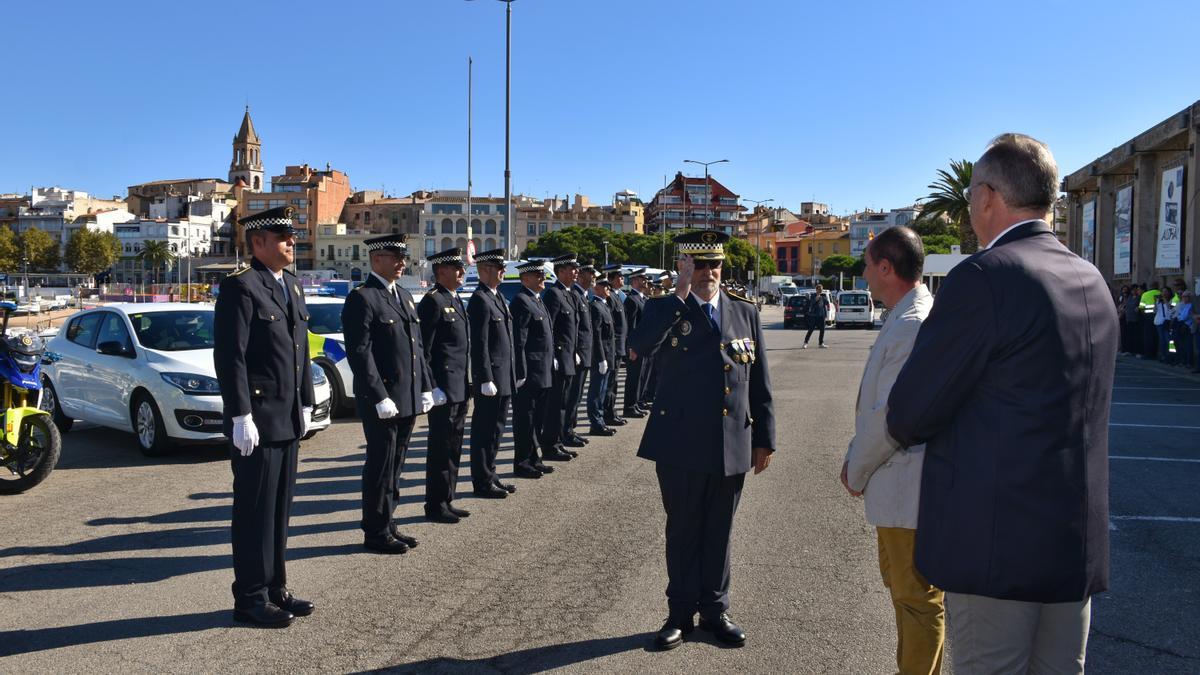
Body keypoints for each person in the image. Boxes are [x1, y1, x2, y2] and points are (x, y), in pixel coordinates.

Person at [887, 134, 1117, 674]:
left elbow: (912, 411)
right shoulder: (1091, 279)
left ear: (988, 197)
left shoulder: (986, 276)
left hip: (997, 548)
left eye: (970, 198)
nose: (969, 210)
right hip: (1072, 547)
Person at [628, 230, 775, 651]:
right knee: (684, 530)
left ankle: (715, 610)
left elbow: (759, 380)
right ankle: (679, 614)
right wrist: (679, 294)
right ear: (682, 266)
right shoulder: (664, 307)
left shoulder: (743, 311)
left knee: (720, 530)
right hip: (679, 444)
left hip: (731, 443)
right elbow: (639, 347)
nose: (707, 273)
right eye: (697, 265)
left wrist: (765, 439)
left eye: (714, 265)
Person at [839, 227, 944, 675]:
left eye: (866, 265)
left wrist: (855, 468)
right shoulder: (907, 315)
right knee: (907, 596)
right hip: (902, 485)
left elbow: (889, 417)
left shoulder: (911, 324)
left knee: (917, 600)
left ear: (886, 267)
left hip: (908, 486)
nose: (863, 275)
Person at [213, 205, 316, 627]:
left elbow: (300, 350)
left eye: (292, 237)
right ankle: (250, 599)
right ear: (258, 242)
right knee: (254, 512)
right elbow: (230, 356)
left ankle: (276, 588)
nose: (292, 243)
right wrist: (240, 414)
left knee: (279, 511)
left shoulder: (290, 285)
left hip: (287, 418)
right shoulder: (241, 287)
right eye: (283, 238)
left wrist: (306, 401)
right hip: (257, 419)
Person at [342, 234, 435, 554]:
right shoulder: (363, 297)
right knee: (381, 465)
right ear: (375, 259)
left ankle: (390, 522)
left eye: (403, 258)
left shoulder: (405, 297)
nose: (402, 263)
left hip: (407, 395)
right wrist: (379, 395)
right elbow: (360, 353)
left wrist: (426, 386)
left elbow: (417, 349)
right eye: (395, 257)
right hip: (382, 399)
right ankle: (375, 530)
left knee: (397, 463)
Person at [417, 247, 472, 524]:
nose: (462, 272)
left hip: (459, 386)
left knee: (454, 445)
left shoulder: (455, 299)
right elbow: (424, 350)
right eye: (457, 268)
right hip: (443, 389)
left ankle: (447, 498)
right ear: (441, 272)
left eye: (462, 268)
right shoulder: (433, 302)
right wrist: (431, 386)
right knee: (440, 447)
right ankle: (435, 504)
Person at [467, 249, 518, 498]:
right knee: (484, 432)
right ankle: (482, 480)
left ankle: (491, 474)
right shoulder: (479, 299)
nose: (503, 272)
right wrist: (485, 377)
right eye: (498, 268)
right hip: (492, 379)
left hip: (503, 377)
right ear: (483, 270)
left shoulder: (497, 298)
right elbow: (480, 344)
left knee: (496, 431)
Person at [509, 260, 557, 478]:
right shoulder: (521, 301)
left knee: (537, 419)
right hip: (529, 373)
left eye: (543, 275)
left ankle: (534, 459)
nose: (543, 279)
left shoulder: (536, 300)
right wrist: (520, 372)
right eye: (538, 275)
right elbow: (519, 341)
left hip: (543, 370)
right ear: (525, 278)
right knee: (525, 420)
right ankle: (522, 462)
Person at [541, 253, 583, 461]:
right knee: (555, 405)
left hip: (568, 357)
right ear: (561, 271)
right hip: (558, 359)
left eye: (576, 269)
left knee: (564, 403)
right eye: (572, 269)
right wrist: (555, 355)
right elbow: (550, 329)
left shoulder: (569, 293)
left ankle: (558, 441)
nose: (576, 272)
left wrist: (573, 351)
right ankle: (550, 445)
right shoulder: (554, 294)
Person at [562, 264, 596, 448]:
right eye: (590, 274)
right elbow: (572, 330)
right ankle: (565, 431)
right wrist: (575, 351)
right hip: (577, 354)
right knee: (571, 396)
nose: (593, 278)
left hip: (583, 353)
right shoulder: (575, 294)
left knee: (576, 396)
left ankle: (570, 430)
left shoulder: (582, 296)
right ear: (582, 276)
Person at [586, 278, 616, 436]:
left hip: (609, 354)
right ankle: (596, 423)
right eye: (605, 286)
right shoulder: (595, 307)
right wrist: (600, 358)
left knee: (603, 390)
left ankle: (600, 421)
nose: (608, 288)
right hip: (601, 356)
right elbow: (596, 336)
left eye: (608, 286)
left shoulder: (604, 305)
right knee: (596, 391)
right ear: (596, 289)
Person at [601, 264, 628, 427]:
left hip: (619, 346)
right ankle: (607, 413)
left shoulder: (617, 296)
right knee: (609, 382)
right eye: (619, 277)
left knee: (613, 382)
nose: (622, 279)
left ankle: (611, 412)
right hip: (613, 346)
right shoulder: (610, 297)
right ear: (610, 280)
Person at [622, 268, 650, 419]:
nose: (645, 281)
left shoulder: (642, 299)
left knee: (641, 376)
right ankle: (629, 406)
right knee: (633, 377)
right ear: (634, 281)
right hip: (636, 346)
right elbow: (630, 326)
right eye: (642, 279)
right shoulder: (631, 300)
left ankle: (636, 402)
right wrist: (631, 347)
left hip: (643, 345)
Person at [802, 284, 829, 349]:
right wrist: (815, 300)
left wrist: (827, 299)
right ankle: (805, 343)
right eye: (819, 289)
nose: (820, 291)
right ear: (816, 290)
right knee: (811, 330)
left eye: (821, 289)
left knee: (822, 330)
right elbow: (811, 303)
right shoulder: (813, 296)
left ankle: (821, 343)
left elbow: (827, 303)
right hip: (814, 316)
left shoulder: (822, 297)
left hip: (821, 316)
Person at [1154, 287, 1176, 364]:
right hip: (1159, 322)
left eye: (1166, 291)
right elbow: (1155, 310)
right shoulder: (1159, 301)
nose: (1164, 293)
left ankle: (1171, 356)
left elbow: (1171, 309)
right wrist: (1156, 302)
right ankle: (1162, 356)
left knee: (1169, 341)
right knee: (1162, 340)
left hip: (1169, 322)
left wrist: (1165, 301)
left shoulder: (1172, 300)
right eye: (1163, 292)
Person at [1174, 291, 1194, 370]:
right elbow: (1177, 314)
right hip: (1181, 325)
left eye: (1186, 297)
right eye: (1183, 297)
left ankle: (1188, 362)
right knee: (1181, 344)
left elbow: (1185, 316)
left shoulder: (1191, 305)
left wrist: (1180, 318)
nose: (1184, 298)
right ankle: (1182, 361)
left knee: (1188, 345)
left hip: (1188, 326)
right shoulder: (1182, 305)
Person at [1123, 283, 1142, 357]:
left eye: (1135, 290)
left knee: (1136, 336)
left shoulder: (1139, 297)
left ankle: (1137, 351)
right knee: (1129, 336)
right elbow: (1127, 306)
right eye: (1133, 290)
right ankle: (1129, 351)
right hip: (1129, 318)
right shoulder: (1130, 297)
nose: (1134, 291)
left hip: (1136, 319)